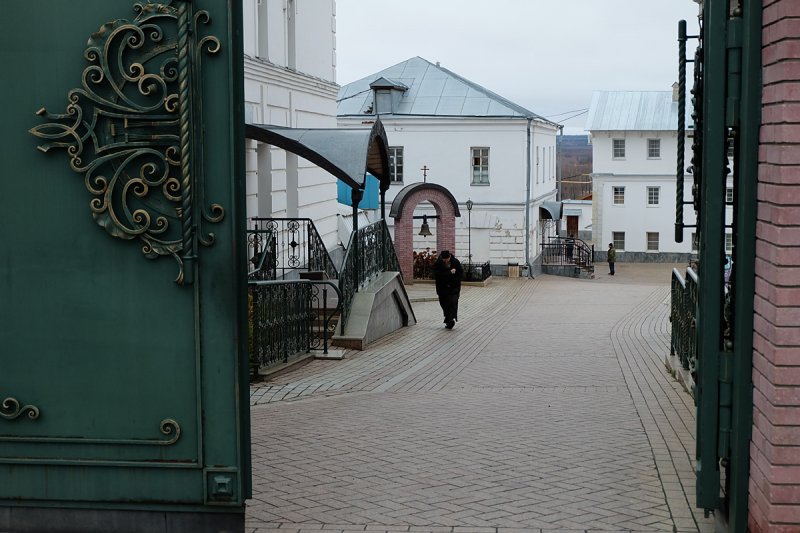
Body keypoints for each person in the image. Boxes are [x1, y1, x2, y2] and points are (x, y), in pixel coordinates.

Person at [433, 250, 463, 329]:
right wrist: (449, 273)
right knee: (444, 304)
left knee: (453, 302)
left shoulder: (455, 262)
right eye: (444, 259)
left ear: (450, 257)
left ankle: (451, 319)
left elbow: (460, 273)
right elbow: (437, 275)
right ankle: (448, 319)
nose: (446, 261)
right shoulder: (438, 264)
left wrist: (454, 281)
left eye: (447, 259)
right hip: (442, 289)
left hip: (454, 288)